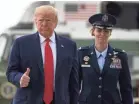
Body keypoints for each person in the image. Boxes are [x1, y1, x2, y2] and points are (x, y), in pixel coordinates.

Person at [6, 5, 79, 104]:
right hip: (28, 100)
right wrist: (20, 78)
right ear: (35, 21)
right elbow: (11, 71)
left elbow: (74, 81)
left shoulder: (70, 45)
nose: (44, 24)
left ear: (56, 22)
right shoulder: (21, 43)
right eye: (41, 20)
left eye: (48, 20)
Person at [78, 13, 133, 104]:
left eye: (106, 31)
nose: (102, 34)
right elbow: (75, 85)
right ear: (93, 32)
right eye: (99, 30)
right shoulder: (82, 54)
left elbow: (126, 87)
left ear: (110, 33)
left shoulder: (120, 56)